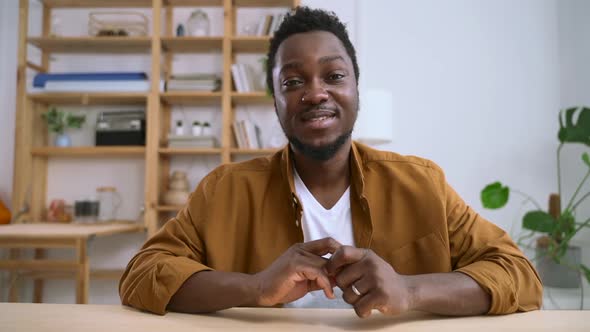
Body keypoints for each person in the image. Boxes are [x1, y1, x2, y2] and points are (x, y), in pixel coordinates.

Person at [120, 6, 542, 318]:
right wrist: (256, 287)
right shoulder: (225, 189)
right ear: (276, 101)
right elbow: (142, 274)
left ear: (356, 88)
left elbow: (518, 275)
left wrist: (409, 291)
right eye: (293, 81)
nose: (315, 93)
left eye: (333, 76)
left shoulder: (422, 184)